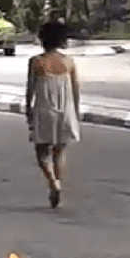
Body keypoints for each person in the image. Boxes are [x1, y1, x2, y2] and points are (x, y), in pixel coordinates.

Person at [25, 21, 81, 208]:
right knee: (59, 152)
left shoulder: (36, 62)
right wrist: (76, 114)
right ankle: (58, 187)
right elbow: (75, 91)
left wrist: (28, 112)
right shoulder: (69, 62)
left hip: (44, 109)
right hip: (65, 111)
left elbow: (30, 91)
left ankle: (53, 183)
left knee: (41, 152)